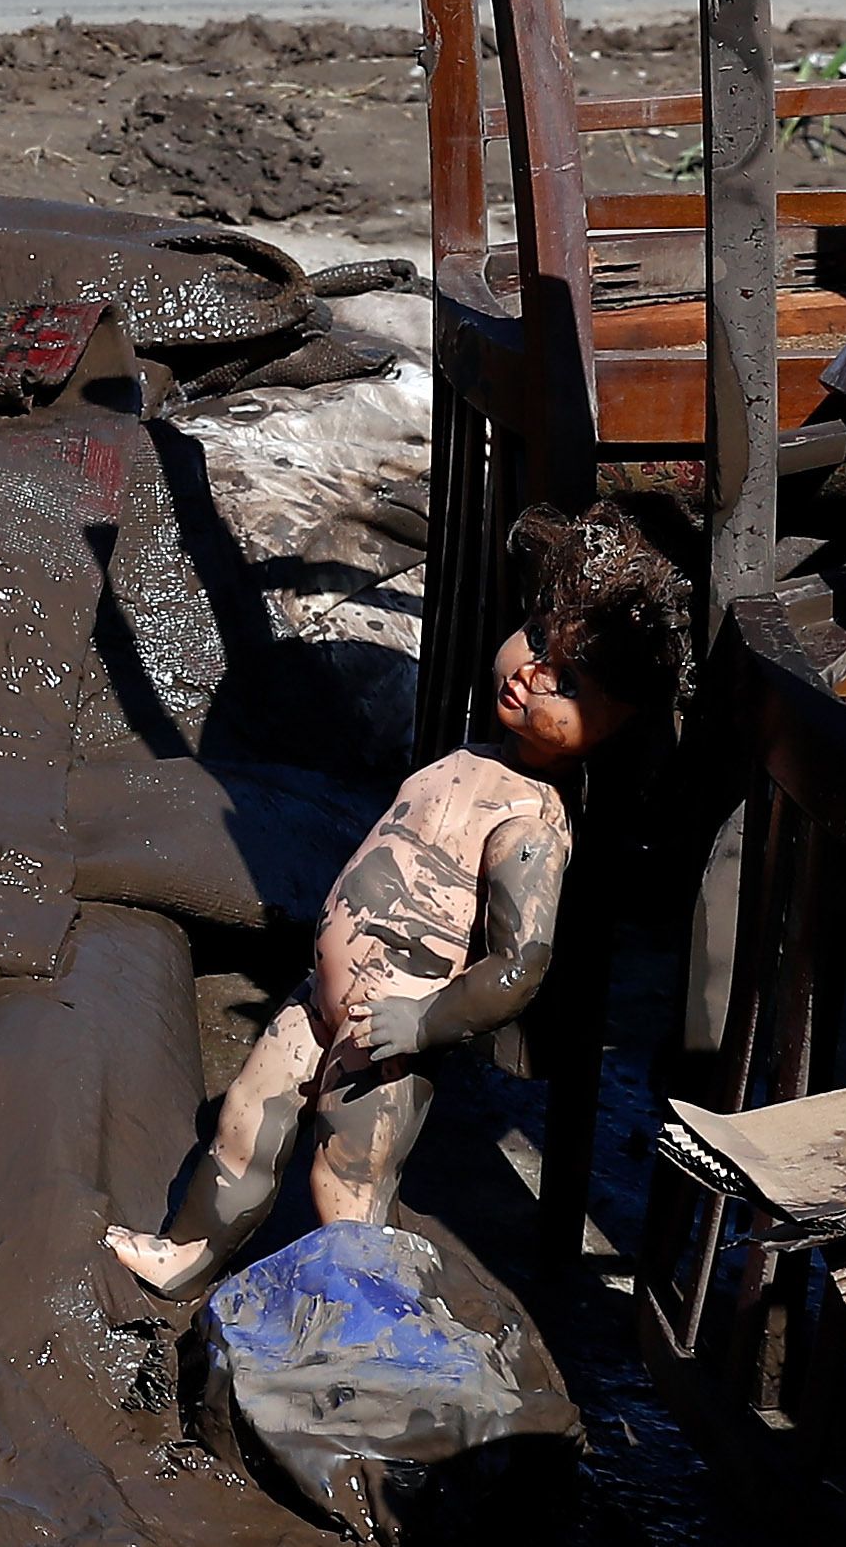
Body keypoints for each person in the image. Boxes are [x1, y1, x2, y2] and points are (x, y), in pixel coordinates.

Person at [106, 506, 691, 1299]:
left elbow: (521, 964)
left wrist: (422, 1021)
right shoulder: (469, 758)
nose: (530, 672)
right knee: (244, 1122)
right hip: (319, 1000)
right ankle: (187, 1253)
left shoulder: (531, 826)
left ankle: (356, 1319)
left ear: (615, 732)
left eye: (569, 682)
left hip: (389, 1027)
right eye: (535, 639)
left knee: (345, 1181)